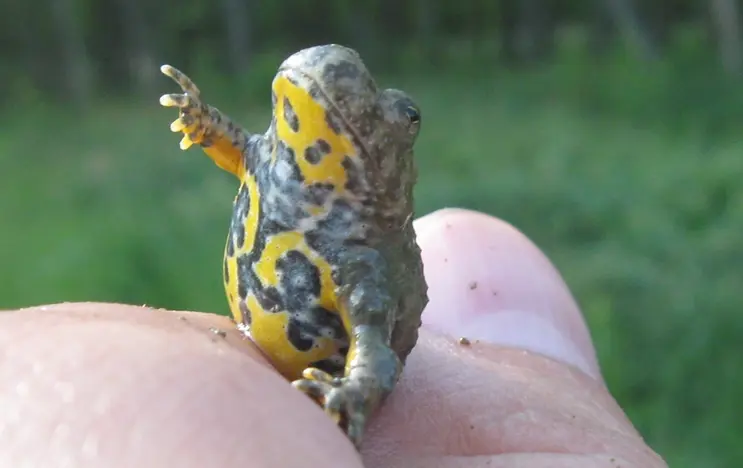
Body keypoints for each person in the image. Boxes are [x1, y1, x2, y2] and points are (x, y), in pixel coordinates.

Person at [0, 209, 668, 467]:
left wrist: (355, 392)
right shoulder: (286, 162)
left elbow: (375, 347)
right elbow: (243, 152)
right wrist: (206, 127)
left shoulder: (364, 244)